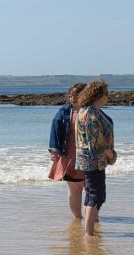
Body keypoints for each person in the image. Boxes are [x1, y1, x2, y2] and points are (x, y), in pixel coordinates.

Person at [75, 80, 117, 237]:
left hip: (86, 159)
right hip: (94, 160)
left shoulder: (84, 110)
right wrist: (110, 154)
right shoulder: (91, 113)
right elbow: (95, 144)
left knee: (91, 194)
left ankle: (88, 230)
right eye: (106, 94)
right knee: (97, 195)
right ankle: (88, 233)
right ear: (99, 95)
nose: (107, 97)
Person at [48, 82, 87, 219]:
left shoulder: (93, 111)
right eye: (71, 95)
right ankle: (78, 218)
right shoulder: (64, 112)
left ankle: (93, 216)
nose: (73, 97)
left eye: (76, 95)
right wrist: (54, 151)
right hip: (70, 155)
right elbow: (54, 130)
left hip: (90, 156)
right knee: (75, 189)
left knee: (91, 189)